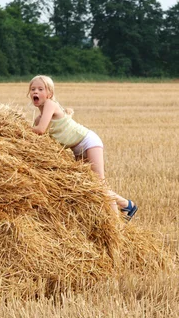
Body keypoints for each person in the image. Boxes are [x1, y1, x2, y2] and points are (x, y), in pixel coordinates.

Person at [27, 75, 138, 221]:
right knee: (88, 184)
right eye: (33, 89)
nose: (36, 92)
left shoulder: (50, 104)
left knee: (99, 184)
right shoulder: (39, 118)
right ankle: (121, 212)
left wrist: (21, 129)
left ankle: (121, 214)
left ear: (49, 94)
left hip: (88, 142)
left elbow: (40, 130)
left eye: (41, 89)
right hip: (77, 149)